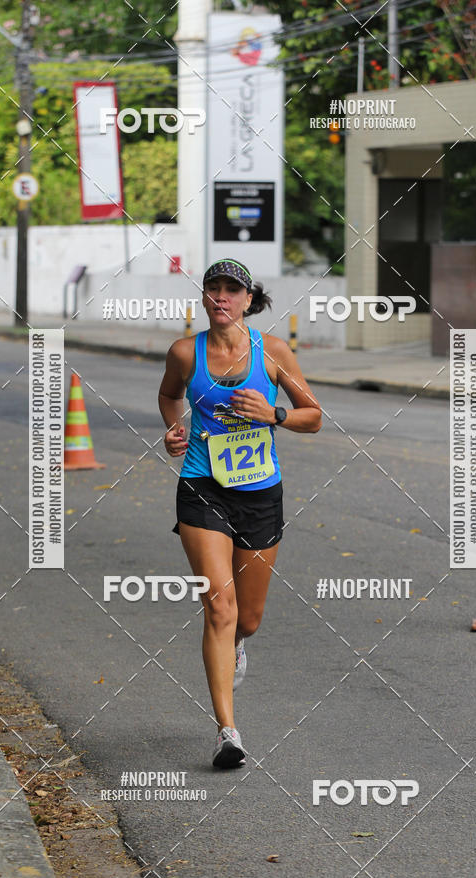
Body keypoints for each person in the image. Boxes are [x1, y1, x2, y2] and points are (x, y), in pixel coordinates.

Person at [158, 258, 322, 768]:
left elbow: (313, 416)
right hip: (202, 486)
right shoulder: (186, 352)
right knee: (220, 608)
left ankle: (237, 647)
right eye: (214, 289)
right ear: (205, 297)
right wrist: (174, 430)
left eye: (233, 290)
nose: (222, 297)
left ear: (250, 299)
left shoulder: (272, 353)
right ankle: (228, 731)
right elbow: (169, 395)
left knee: (247, 618)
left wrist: (274, 413)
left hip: (259, 493)